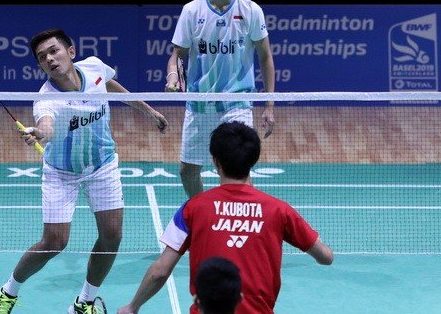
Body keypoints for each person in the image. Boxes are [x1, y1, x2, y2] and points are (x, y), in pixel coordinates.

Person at [0, 28, 169, 314]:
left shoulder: (94, 67)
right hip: (62, 172)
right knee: (54, 242)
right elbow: (46, 123)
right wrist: (41, 132)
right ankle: (8, 292)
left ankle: (84, 302)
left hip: (102, 164)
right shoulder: (46, 99)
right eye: (42, 57)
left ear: (70, 52)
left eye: (53, 51)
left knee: (112, 236)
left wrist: (148, 110)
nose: (49, 59)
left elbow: (111, 85)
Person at [117, 121, 333, 314]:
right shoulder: (279, 211)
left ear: (215, 161)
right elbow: (326, 257)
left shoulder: (192, 208)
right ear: (253, 160)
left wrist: (132, 307)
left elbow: (161, 271)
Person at [165, 0, 276, 197]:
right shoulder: (191, 11)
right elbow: (177, 55)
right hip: (200, 104)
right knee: (187, 170)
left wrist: (269, 105)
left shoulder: (250, 10)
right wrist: (172, 75)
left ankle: (239, 217)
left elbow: (265, 57)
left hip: (237, 102)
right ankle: (201, 211)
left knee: (236, 169)